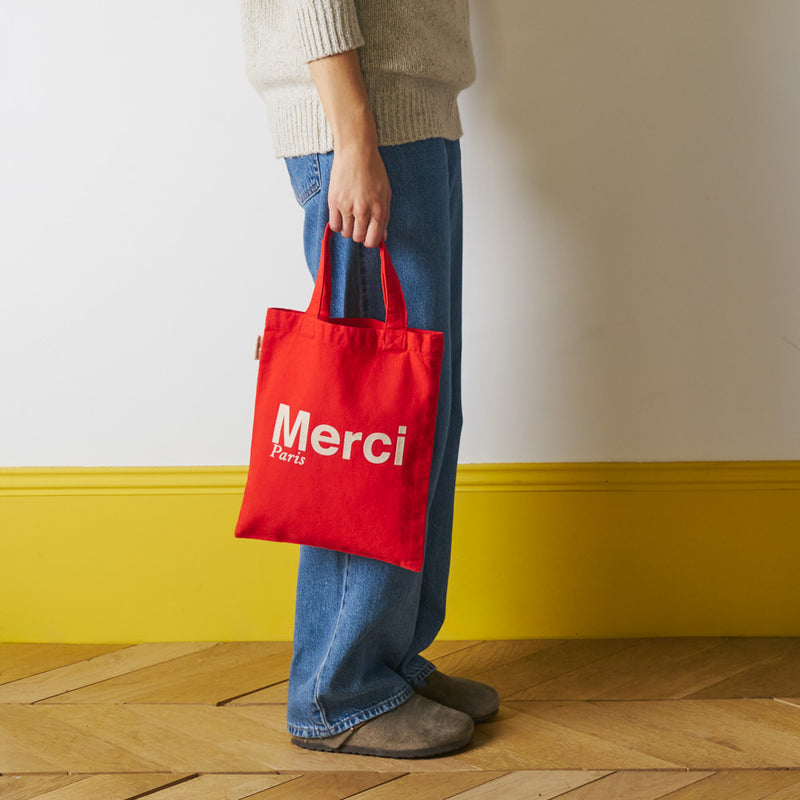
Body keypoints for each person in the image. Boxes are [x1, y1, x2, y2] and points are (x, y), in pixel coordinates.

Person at [240, 0, 498, 758]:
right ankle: (339, 691)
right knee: (368, 431)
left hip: (409, 113)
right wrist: (353, 134)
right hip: (363, 120)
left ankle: (386, 660)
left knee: (418, 415)